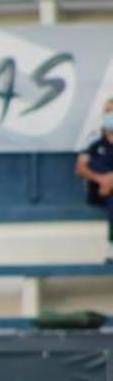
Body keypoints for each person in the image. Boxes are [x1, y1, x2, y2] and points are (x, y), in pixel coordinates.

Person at [76, 98, 113, 263]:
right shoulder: (93, 139)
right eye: (108, 112)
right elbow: (81, 168)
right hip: (99, 189)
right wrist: (102, 180)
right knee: (97, 163)